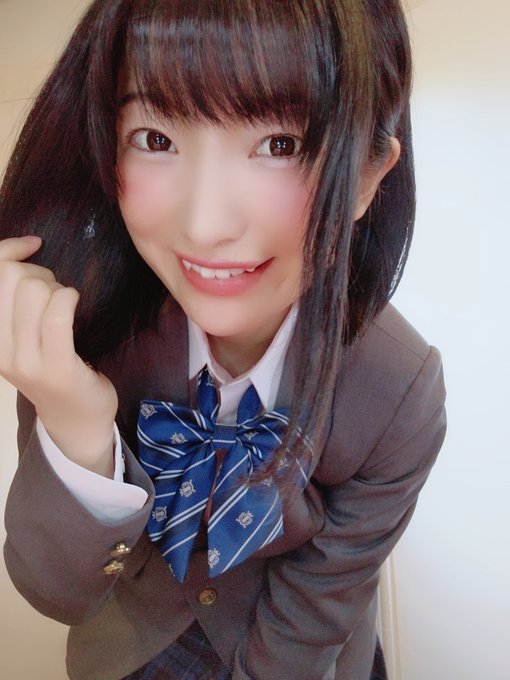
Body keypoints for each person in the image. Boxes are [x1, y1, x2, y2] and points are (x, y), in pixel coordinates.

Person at [0, 1, 446, 679]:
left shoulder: (399, 390)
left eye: (281, 145)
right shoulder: (88, 322)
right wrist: (75, 425)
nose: (204, 226)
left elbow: (316, 616)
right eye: (155, 137)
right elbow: (55, 591)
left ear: (367, 177)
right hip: (135, 647)